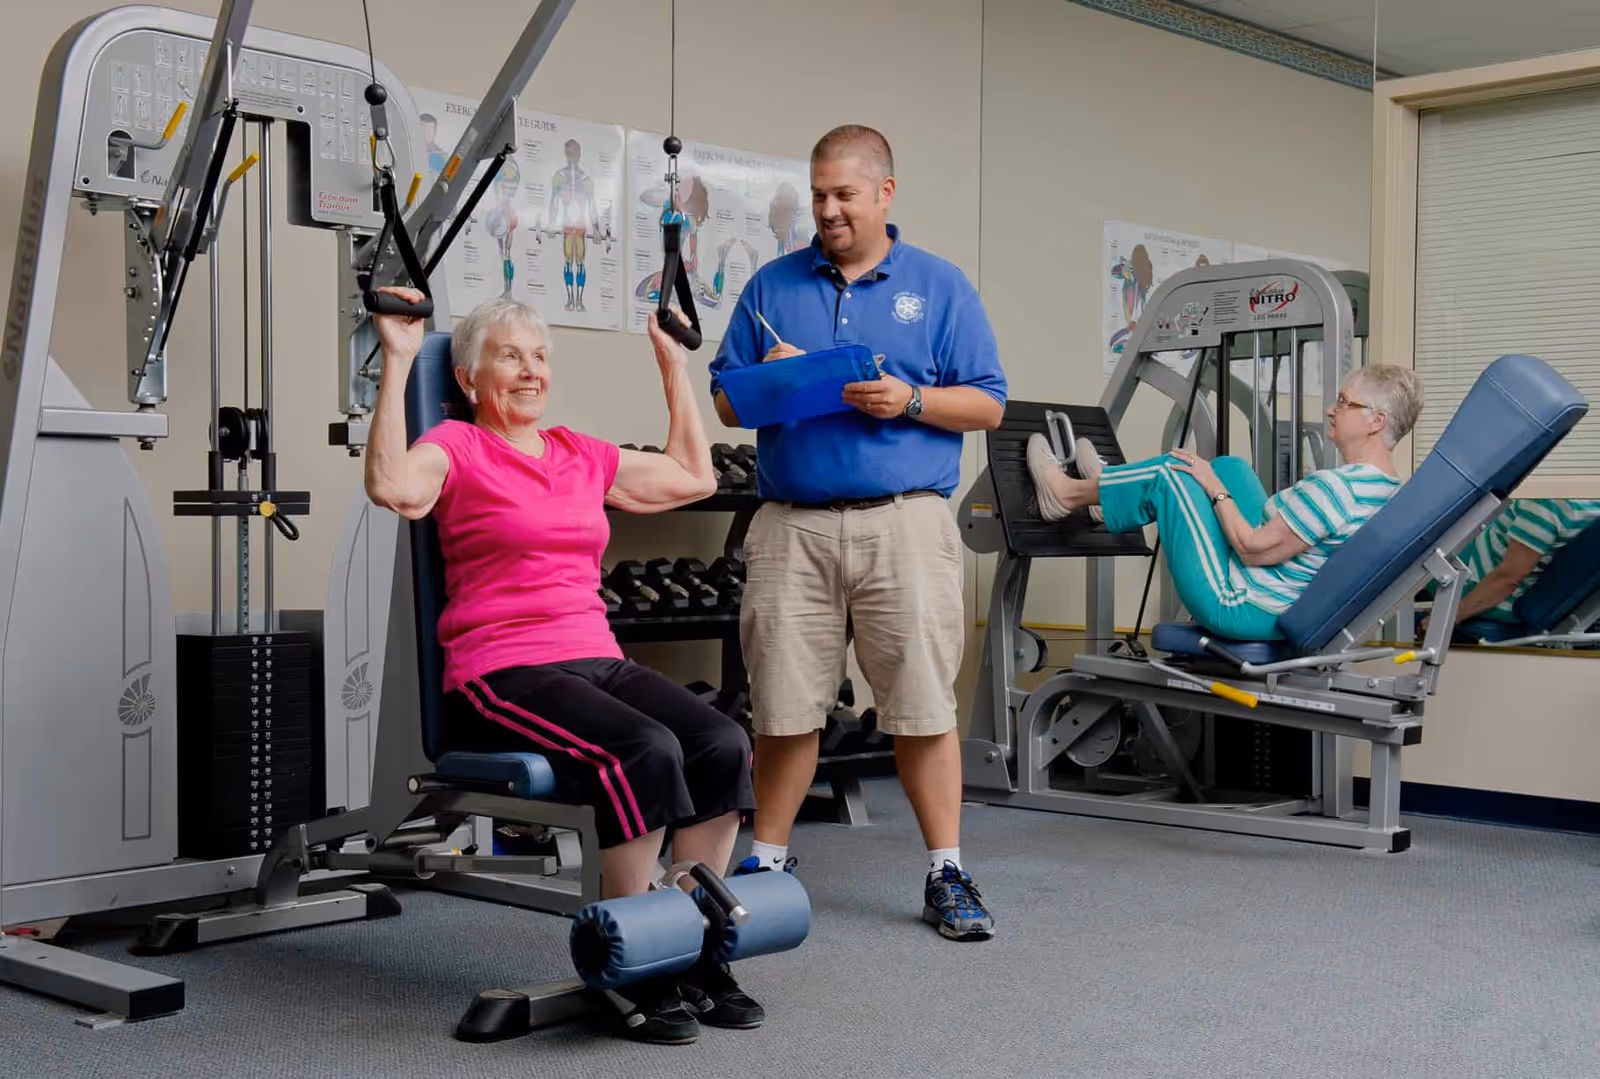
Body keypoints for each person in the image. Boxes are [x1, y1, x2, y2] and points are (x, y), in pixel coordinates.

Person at [363, 288, 759, 1045]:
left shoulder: (581, 453)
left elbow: (694, 478)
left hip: (596, 657)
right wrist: (399, 360)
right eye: (509, 356)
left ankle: (693, 943)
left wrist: (673, 365)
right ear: (473, 379)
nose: (530, 370)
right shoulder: (456, 445)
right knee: (644, 749)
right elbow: (392, 487)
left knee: (722, 741)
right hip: (502, 668)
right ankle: (631, 962)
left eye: (539, 355)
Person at [708, 124, 1008, 942]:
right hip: (791, 526)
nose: (828, 210)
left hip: (903, 523)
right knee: (782, 707)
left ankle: (946, 869)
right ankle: (766, 860)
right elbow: (728, 403)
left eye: (843, 193)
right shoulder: (771, 284)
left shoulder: (940, 287)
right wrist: (788, 379)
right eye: (817, 194)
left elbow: (987, 402)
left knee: (920, 706)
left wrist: (905, 399)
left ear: (885, 191)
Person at [1028, 365, 1424, 640]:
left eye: (1344, 401)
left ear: (1376, 421)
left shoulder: (1337, 489)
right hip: (1281, 594)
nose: (1330, 409)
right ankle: (1107, 492)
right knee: (1231, 466)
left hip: (1244, 604)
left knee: (1174, 472)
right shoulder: (1388, 489)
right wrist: (1219, 480)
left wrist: (1214, 488)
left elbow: (1252, 550)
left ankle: (1066, 495)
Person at [1433, 498, 1600, 636]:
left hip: (1478, 589)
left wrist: (1445, 619)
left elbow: (1507, 579)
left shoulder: (1546, 505)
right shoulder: (1591, 502)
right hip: (1475, 558)